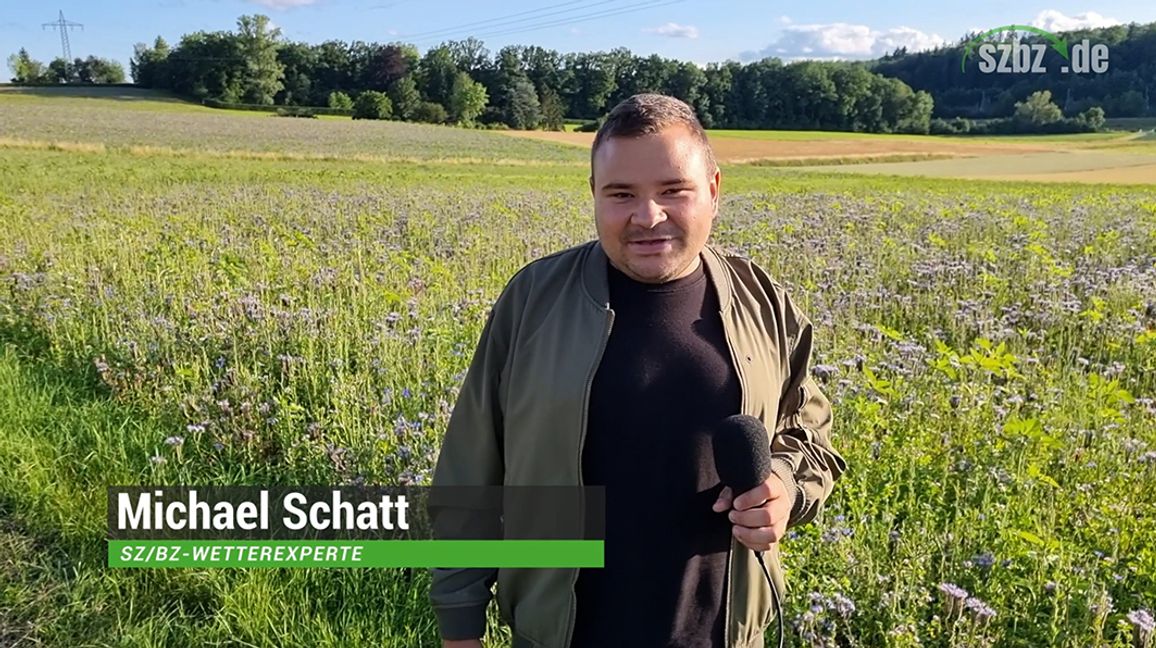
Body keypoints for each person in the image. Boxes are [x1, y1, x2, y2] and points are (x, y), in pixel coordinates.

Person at [428, 93, 847, 648]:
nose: (648, 217)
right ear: (595, 197)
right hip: (561, 635)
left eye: (674, 191)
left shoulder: (761, 300)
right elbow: (469, 474)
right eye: (621, 194)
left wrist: (785, 487)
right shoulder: (534, 300)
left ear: (714, 191)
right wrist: (460, 626)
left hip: (720, 634)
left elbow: (808, 432)